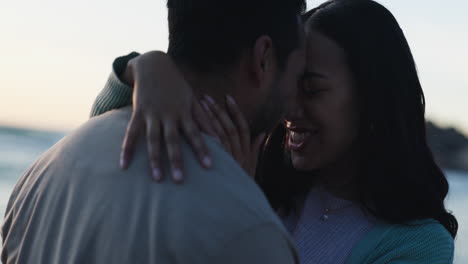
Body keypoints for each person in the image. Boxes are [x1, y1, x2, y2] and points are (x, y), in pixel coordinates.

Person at [90, 0, 458, 263]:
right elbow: (105, 149)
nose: (289, 109)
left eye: (311, 89)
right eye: (291, 84)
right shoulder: (254, 159)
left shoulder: (417, 243)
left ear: (373, 97)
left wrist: (241, 204)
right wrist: (142, 69)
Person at [1, 0, 307, 263]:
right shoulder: (249, 231)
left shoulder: (43, 172)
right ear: (264, 57)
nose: (295, 104)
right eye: (298, 76)